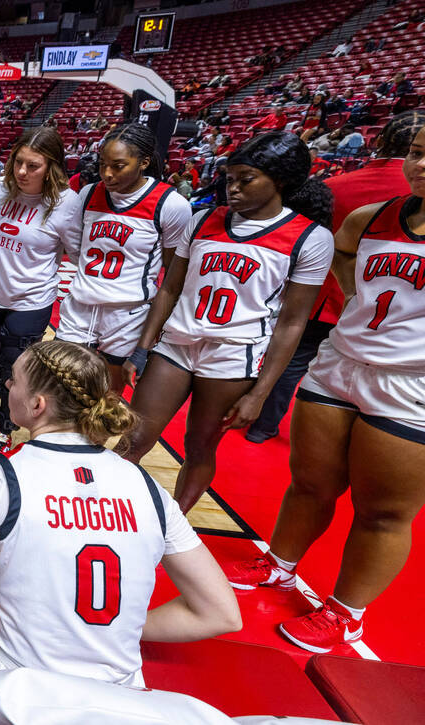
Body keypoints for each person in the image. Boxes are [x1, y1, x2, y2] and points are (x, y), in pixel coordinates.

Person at [224, 122, 425, 653]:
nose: (420, 166)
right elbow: (343, 255)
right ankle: (281, 565)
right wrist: (357, 296)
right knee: (309, 482)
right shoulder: (373, 217)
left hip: (411, 385)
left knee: (382, 511)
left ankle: (347, 612)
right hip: (342, 361)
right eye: (417, 153)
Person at [0, 340, 241, 684]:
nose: (7, 386)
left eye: (13, 380)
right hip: (118, 695)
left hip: (18, 688)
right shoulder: (146, 485)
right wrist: (111, 628)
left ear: (38, 405)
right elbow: (221, 615)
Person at [120, 132, 336, 513]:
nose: (232, 188)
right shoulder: (203, 218)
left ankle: (176, 525)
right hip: (176, 344)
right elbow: (169, 289)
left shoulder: (310, 237)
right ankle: (106, 511)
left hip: (235, 355)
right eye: (229, 178)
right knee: (133, 437)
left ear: (280, 181)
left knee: (200, 445)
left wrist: (260, 393)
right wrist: (142, 348)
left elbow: (291, 323)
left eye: (245, 179)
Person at [245, 112, 422, 443]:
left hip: (320, 293)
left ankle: (262, 424)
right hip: (393, 320)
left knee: (292, 362)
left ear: (379, 141)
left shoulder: (334, 185)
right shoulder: (412, 194)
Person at [0, 128, 81, 457]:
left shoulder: (66, 203)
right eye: (18, 162)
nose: (22, 172)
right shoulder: (2, 188)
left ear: (52, 167)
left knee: (12, 374)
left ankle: (5, 433)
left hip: (31, 303)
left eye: (33, 166)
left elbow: (77, 253)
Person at [57, 124, 193, 392]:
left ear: (143, 162)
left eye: (118, 166)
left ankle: (94, 436)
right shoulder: (87, 194)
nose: (107, 174)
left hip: (127, 314)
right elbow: (75, 248)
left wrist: (149, 341)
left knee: (108, 394)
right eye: (102, 164)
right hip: (80, 305)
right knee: (62, 387)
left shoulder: (171, 205)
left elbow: (172, 277)